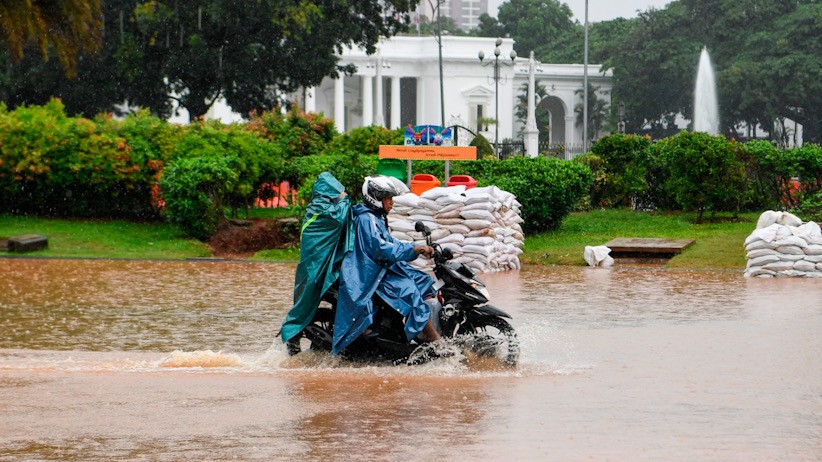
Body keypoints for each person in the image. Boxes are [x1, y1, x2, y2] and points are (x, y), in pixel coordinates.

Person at [332, 175, 441, 355]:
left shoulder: (376, 218)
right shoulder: (367, 219)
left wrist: (413, 247)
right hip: (370, 272)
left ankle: (415, 329)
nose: (391, 202)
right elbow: (382, 248)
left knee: (423, 280)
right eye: (388, 198)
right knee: (410, 293)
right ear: (375, 198)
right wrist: (414, 248)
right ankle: (435, 341)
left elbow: (390, 242)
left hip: (381, 267)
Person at [280, 172, 352, 355]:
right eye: (337, 191)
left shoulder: (317, 208)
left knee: (304, 304)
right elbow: (338, 217)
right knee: (305, 304)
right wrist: (345, 199)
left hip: (313, 267)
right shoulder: (320, 210)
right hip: (314, 269)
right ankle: (293, 337)